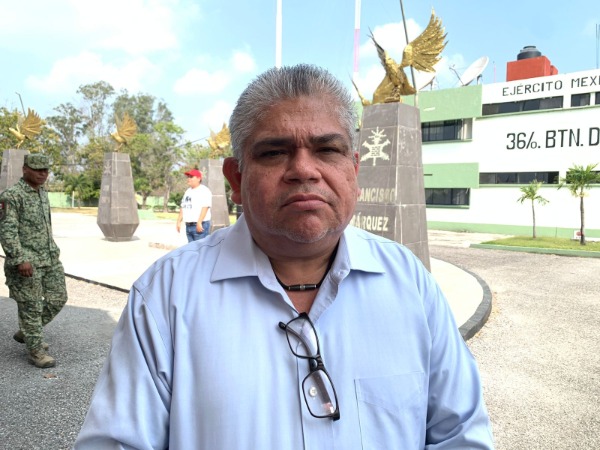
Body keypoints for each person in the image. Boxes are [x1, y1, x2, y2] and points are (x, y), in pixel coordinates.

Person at [75, 64, 494, 449]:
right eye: (275, 152)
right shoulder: (166, 296)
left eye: (327, 150)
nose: (304, 170)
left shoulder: (408, 282)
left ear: (354, 171)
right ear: (236, 179)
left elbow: (461, 435)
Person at [0, 154, 68, 369]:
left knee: (58, 298)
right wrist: (20, 259)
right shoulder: (12, 196)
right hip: (26, 262)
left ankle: (29, 332)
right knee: (31, 306)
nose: (42, 174)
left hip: (49, 258)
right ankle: (36, 351)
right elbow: (7, 231)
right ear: (25, 169)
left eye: (45, 170)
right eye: (37, 169)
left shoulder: (42, 193)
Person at [175, 168, 212, 242]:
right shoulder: (188, 191)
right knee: (191, 247)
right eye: (188, 177)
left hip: (200, 225)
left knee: (200, 248)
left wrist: (199, 222)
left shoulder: (204, 190)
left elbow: (205, 207)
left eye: (191, 177)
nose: (189, 179)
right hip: (188, 225)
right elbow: (183, 206)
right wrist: (179, 221)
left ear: (198, 178)